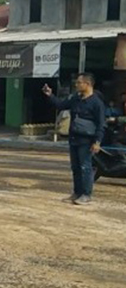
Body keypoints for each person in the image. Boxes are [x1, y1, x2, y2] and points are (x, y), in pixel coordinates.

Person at [43, 73, 106, 205]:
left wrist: (97, 142)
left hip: (87, 140)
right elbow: (60, 105)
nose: (76, 85)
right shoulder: (76, 99)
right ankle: (77, 193)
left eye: (79, 83)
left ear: (87, 84)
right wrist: (50, 95)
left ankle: (86, 194)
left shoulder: (96, 103)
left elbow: (101, 124)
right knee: (76, 167)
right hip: (74, 138)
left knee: (85, 167)